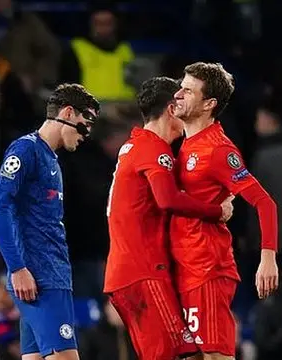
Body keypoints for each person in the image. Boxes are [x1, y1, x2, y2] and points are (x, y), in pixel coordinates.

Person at [103, 76, 236, 360]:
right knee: (173, 356)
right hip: (143, 272)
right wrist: (217, 212)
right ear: (170, 109)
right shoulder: (154, 149)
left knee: (190, 355)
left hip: (134, 271)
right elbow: (168, 199)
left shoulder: (136, 146)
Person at [171, 62, 279, 360]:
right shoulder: (185, 141)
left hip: (207, 269)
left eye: (188, 90)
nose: (178, 94)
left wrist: (267, 258)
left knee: (216, 356)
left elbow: (264, 203)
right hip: (184, 266)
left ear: (209, 104)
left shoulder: (219, 150)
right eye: (181, 86)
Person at [0, 83, 100, 360]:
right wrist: (17, 268)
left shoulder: (51, 158)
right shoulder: (27, 150)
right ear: (68, 113)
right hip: (41, 277)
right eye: (85, 125)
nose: (87, 134)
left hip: (49, 274)